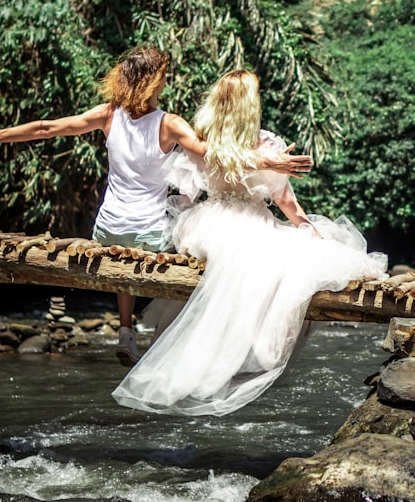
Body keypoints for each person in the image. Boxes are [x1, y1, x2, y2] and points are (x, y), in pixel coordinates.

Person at [0, 47, 312, 366]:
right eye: (163, 78)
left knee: (121, 248)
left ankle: (125, 329)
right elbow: (212, 156)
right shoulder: (169, 124)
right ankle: (186, 335)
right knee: (179, 237)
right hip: (152, 232)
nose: (166, 84)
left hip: (107, 228)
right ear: (153, 82)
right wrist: (270, 163)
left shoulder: (107, 115)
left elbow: (49, 128)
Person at [112, 69, 387, 416]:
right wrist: (305, 225)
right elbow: (286, 202)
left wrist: (179, 229)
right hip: (249, 220)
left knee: (256, 259)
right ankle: (244, 353)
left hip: (206, 223)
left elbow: (186, 193)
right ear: (250, 104)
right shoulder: (265, 144)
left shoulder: (201, 137)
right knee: (290, 260)